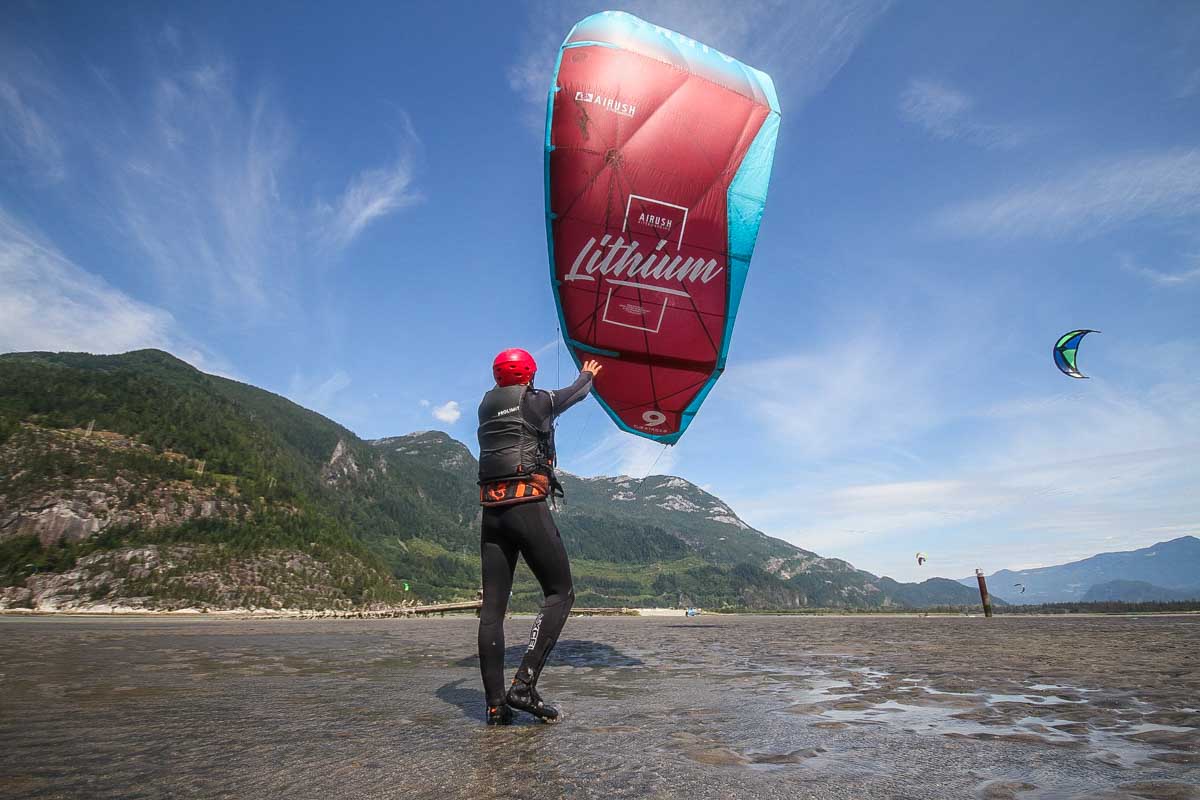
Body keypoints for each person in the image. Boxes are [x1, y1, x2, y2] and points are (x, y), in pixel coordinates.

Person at [476, 347, 601, 725]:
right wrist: (589, 372)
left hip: (492, 515)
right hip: (526, 508)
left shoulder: (484, 410)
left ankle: (496, 707)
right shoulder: (536, 402)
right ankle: (524, 685)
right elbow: (575, 394)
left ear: (497, 378)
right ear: (529, 375)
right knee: (561, 592)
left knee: (493, 610)